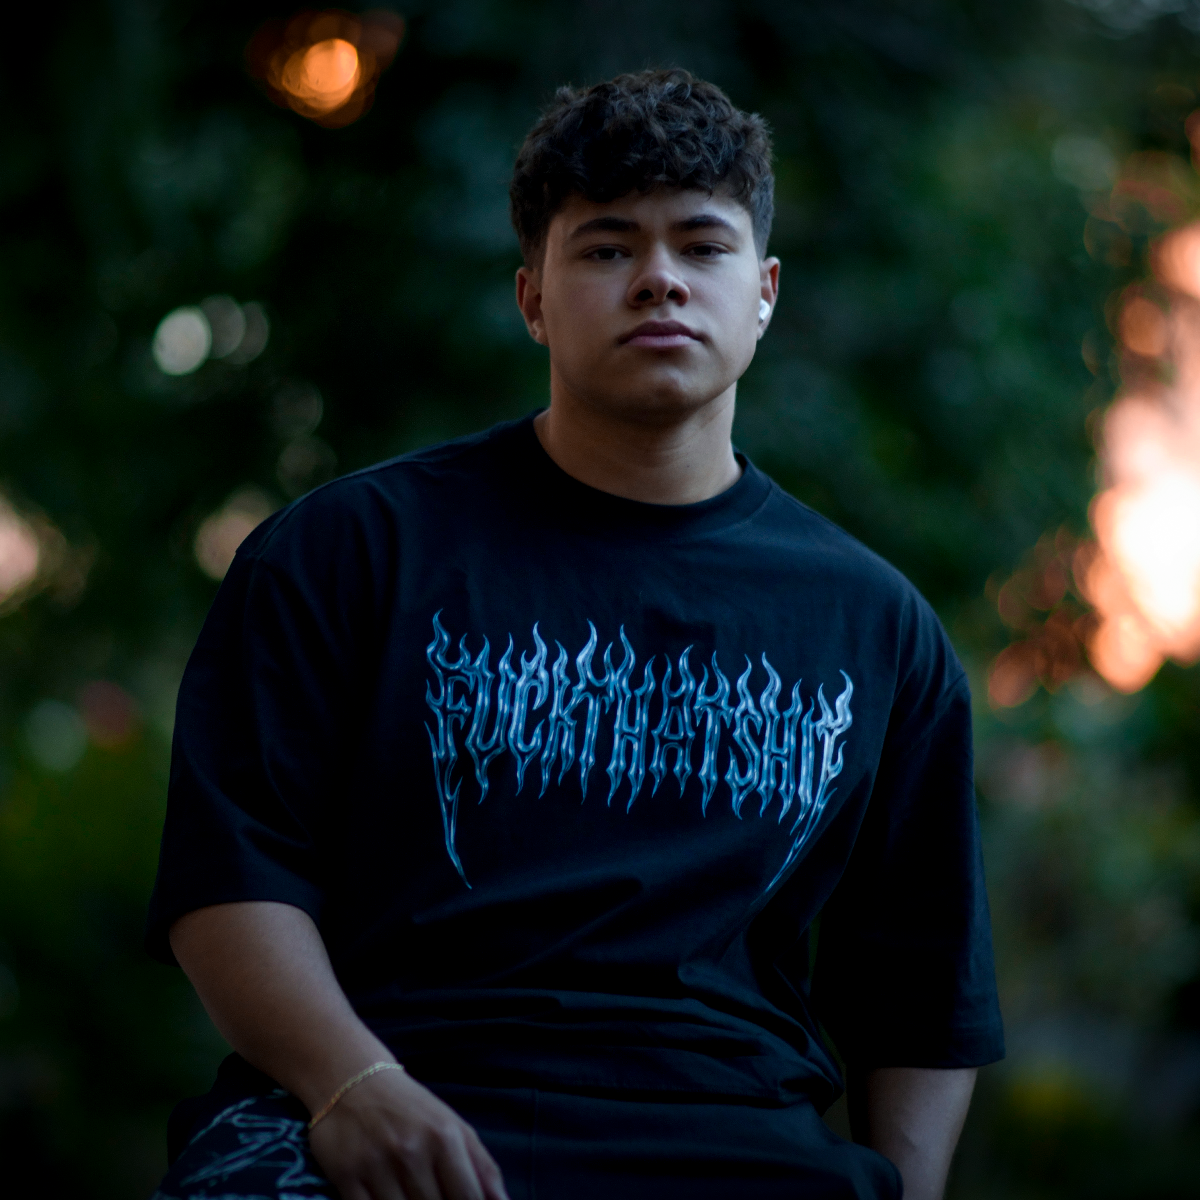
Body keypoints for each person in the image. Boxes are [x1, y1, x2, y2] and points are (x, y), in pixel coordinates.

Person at [146, 69, 1003, 1200]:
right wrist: (352, 1086)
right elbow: (230, 879)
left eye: (703, 245)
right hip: (394, 1103)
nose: (659, 279)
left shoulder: (878, 627)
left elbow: (920, 990)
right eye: (606, 248)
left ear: (764, 292)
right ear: (533, 299)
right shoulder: (348, 553)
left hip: (729, 1136)